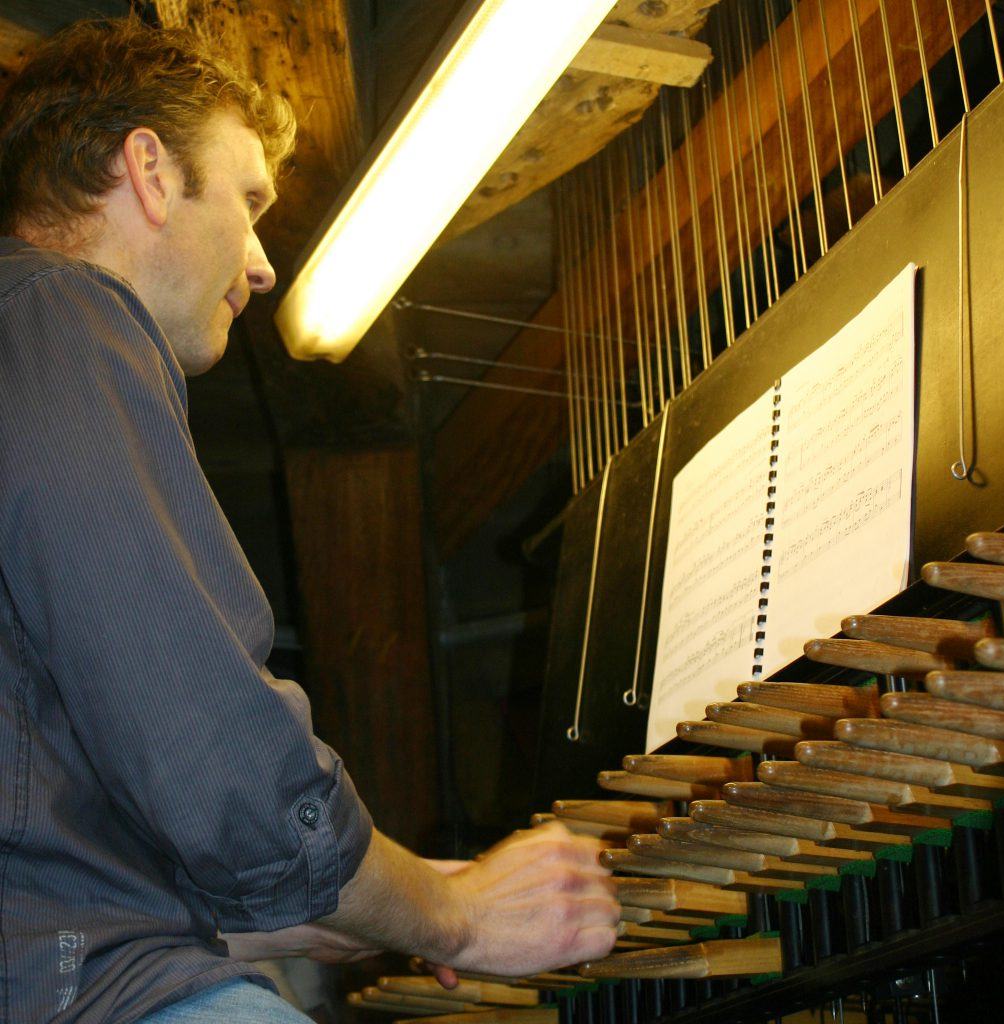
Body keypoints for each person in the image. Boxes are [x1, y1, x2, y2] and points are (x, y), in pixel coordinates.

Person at [0, 17, 619, 1024]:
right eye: (247, 205)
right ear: (150, 173)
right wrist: (449, 912)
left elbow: (46, 838)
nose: (260, 263)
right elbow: (205, 742)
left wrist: (294, 914)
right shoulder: (60, 315)